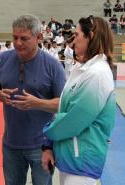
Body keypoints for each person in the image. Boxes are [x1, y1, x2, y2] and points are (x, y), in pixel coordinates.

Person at [0, 14, 66, 185]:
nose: (18, 43)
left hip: (42, 145)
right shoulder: (3, 59)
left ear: (38, 37)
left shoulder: (53, 66)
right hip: (11, 143)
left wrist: (37, 103)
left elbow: (63, 104)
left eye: (24, 38)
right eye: (15, 37)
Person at [43, 16, 116, 185]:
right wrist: (49, 145)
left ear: (90, 36)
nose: (73, 40)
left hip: (82, 159)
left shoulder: (96, 74)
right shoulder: (82, 69)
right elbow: (64, 110)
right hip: (72, 154)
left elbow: (73, 120)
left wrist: (47, 134)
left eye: (76, 35)